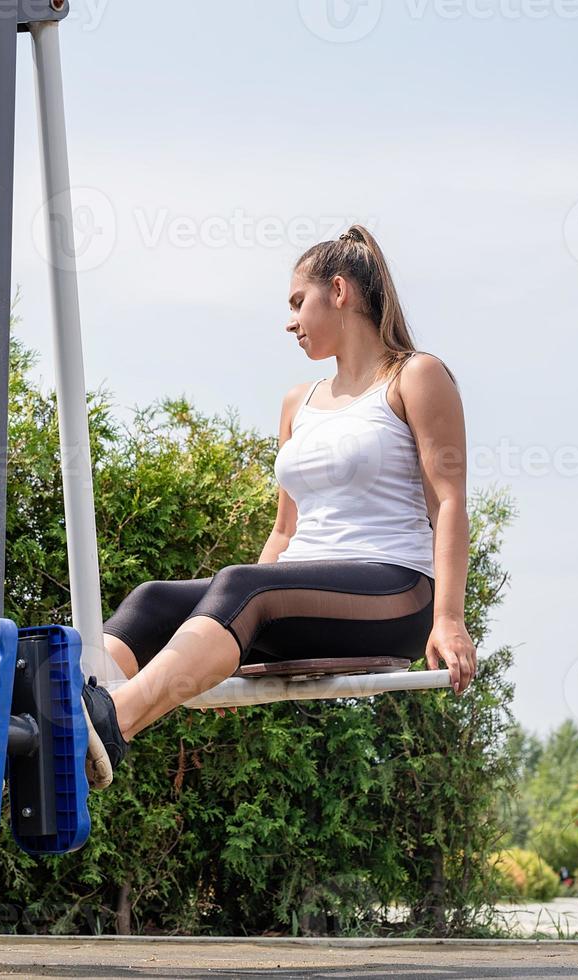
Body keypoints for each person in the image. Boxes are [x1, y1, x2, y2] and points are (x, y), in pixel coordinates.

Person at [79, 224, 477, 789]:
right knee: (154, 599)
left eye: (298, 302)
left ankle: (110, 724)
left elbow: (450, 500)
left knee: (247, 586)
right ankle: (70, 706)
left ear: (338, 292)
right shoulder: (299, 402)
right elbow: (285, 533)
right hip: (294, 596)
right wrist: (221, 641)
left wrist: (449, 619)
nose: (289, 321)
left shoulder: (415, 376)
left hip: (397, 592)